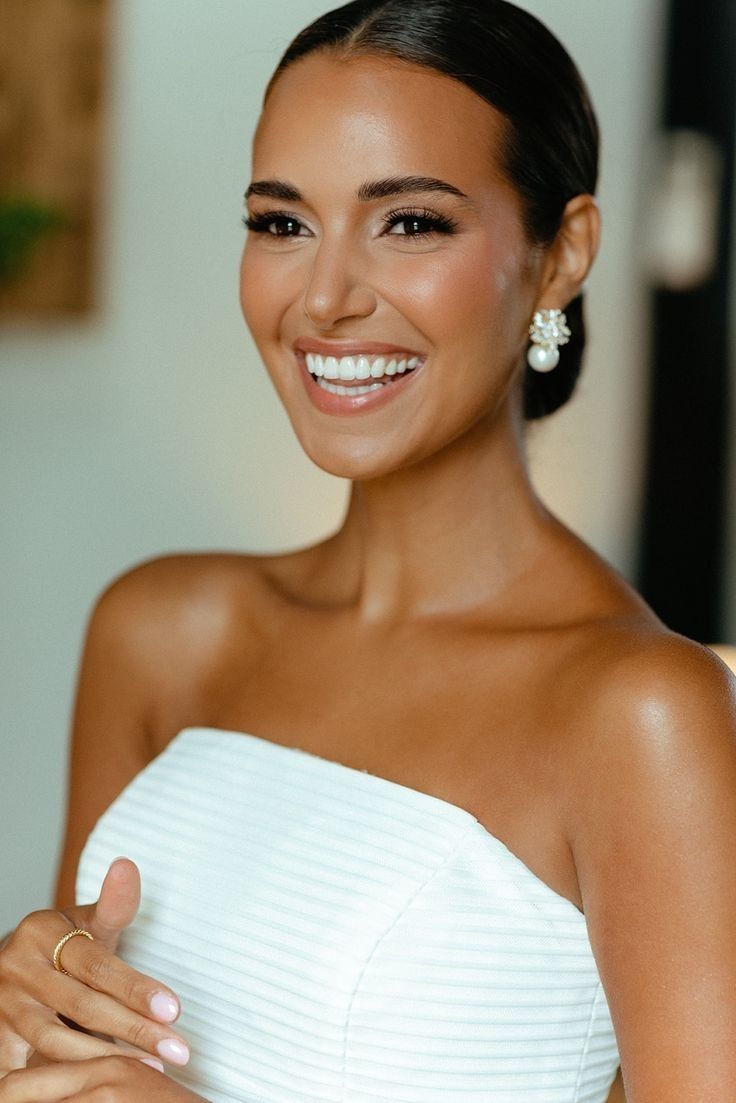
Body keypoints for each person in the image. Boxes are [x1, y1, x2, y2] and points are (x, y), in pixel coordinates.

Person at [1, 1, 734, 1100]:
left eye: (410, 223)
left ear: (560, 254)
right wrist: (29, 1015)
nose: (325, 299)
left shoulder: (639, 714)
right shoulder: (159, 629)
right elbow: (77, 1065)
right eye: (282, 223)